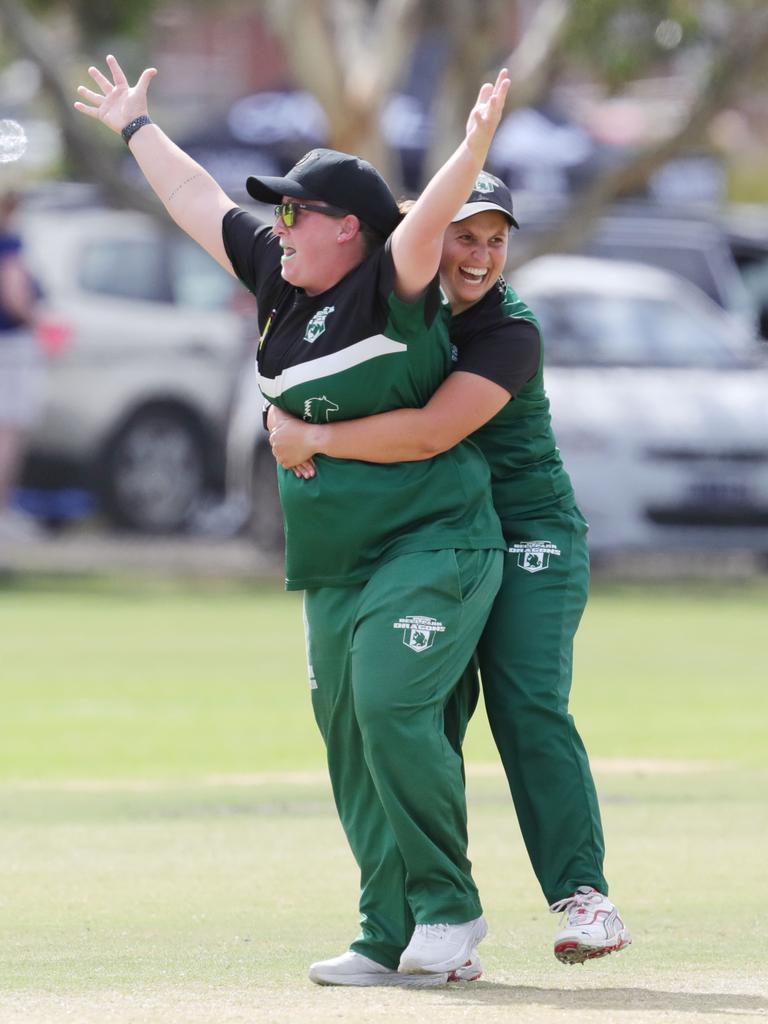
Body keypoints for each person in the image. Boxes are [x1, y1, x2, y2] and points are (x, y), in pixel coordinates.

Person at [75, 57, 512, 986]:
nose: (276, 227)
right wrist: (137, 126)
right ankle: (385, 933)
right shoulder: (279, 279)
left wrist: (472, 147)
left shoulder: (389, 283)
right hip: (336, 559)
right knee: (350, 736)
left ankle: (449, 908)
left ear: (348, 229)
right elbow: (196, 200)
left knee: (394, 707)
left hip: (432, 542)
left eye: (294, 213)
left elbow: (427, 218)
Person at [268, 171, 631, 966]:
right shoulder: (391, 305)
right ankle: (428, 925)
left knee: (524, 699)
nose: (480, 255)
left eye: (497, 240)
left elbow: (432, 430)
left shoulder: (509, 330)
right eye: (464, 235)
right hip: (435, 535)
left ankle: (584, 898)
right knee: (408, 719)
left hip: (527, 532)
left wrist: (313, 439)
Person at [0, 191, 43, 543]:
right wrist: (38, 320)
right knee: (8, 432)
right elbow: (14, 294)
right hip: (9, 345)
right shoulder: (8, 241)